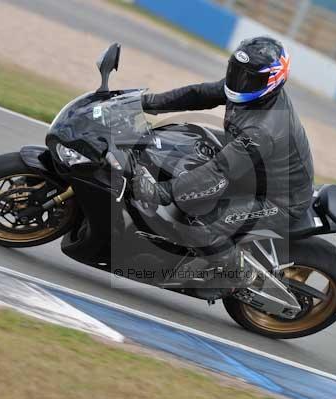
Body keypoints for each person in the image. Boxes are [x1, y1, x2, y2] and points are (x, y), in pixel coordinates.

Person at [132, 36, 314, 289]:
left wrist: (162, 192)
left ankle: (236, 272)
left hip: (279, 199)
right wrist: (145, 103)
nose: (240, 80)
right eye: (237, 72)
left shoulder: (264, 129)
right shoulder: (248, 91)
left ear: (272, 81)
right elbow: (198, 94)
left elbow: (220, 171)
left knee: (195, 218)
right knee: (184, 138)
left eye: (249, 77)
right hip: (253, 169)